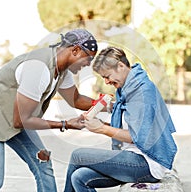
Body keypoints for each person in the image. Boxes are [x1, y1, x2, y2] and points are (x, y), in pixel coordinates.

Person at [0, 28, 98, 192]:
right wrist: (65, 124)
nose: (89, 64)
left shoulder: (61, 70)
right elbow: (22, 121)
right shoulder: (38, 68)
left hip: (13, 118)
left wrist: (107, 102)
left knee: (43, 162)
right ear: (75, 50)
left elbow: (75, 99)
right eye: (88, 58)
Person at [64, 47, 178, 192]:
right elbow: (126, 129)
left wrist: (101, 128)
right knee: (79, 177)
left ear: (120, 66)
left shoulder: (141, 92)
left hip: (147, 163)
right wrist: (94, 124)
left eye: (107, 76)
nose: (106, 82)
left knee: (77, 155)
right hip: (131, 157)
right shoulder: (127, 89)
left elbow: (135, 137)